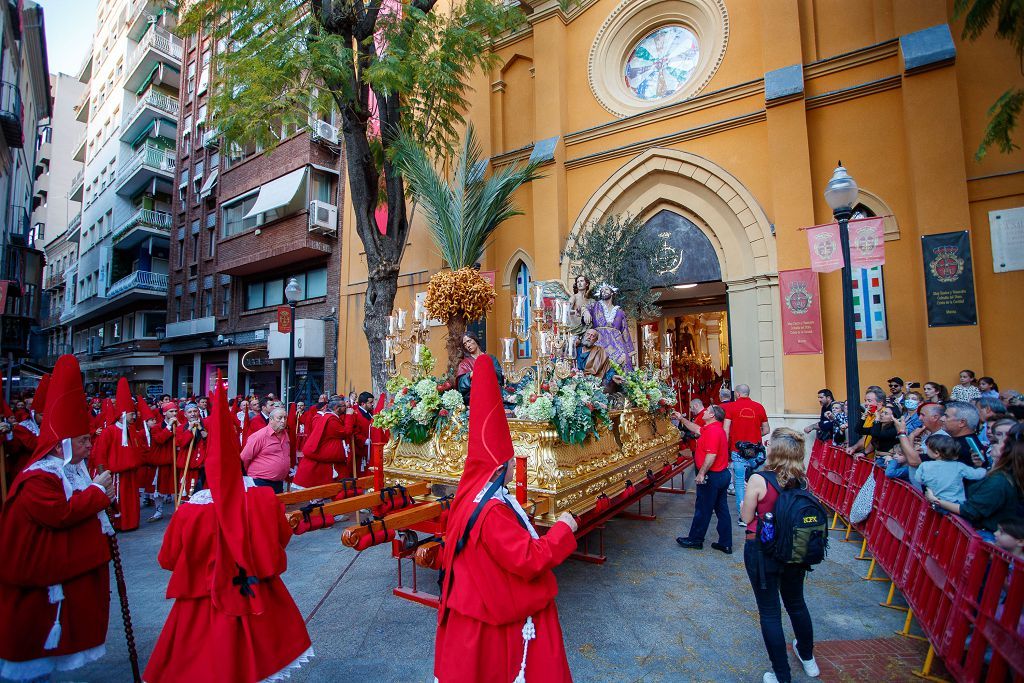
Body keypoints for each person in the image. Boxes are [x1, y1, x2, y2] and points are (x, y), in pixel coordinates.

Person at [144, 381, 313, 683]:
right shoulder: (262, 500)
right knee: (258, 659)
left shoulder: (189, 511)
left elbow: (168, 558)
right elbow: (282, 538)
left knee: (202, 663)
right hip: (256, 592)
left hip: (202, 601)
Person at [434, 354, 578, 683]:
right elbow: (527, 558)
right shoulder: (493, 511)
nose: (516, 465)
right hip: (492, 621)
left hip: (469, 613)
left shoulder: (470, 498)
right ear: (501, 467)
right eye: (512, 459)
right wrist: (562, 530)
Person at [0, 354, 116, 681]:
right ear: (62, 445)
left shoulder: (70, 472)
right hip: (36, 580)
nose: (89, 446)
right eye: (82, 440)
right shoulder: (40, 478)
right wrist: (96, 492)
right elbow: (60, 514)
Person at [740, 428, 819, 683]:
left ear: (774, 451)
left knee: (770, 612)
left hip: (762, 550)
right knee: (796, 603)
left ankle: (782, 675)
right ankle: (808, 659)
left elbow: (746, 517)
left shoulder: (759, 479)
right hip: (796, 548)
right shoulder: (802, 479)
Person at [926, 423, 1024, 539]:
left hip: (986, 537)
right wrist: (979, 467)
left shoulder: (1000, 480)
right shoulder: (1001, 475)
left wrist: (936, 500)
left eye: (997, 442)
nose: (992, 445)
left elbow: (970, 511)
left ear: (1007, 450)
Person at [676, 404, 733, 553]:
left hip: (712, 476)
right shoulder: (712, 428)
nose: (705, 412)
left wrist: (701, 473)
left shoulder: (713, 431)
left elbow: (711, 455)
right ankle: (726, 542)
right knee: (722, 509)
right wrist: (682, 419)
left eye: (707, 411)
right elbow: (696, 429)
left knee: (703, 508)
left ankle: (696, 539)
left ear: (712, 415)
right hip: (722, 474)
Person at [92, 379, 143, 532]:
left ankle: (131, 523)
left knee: (130, 501)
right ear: (122, 415)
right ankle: (118, 524)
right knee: (118, 500)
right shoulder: (110, 431)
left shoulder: (132, 430)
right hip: (115, 474)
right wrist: (103, 473)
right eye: (131, 414)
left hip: (130, 473)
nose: (133, 417)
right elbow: (100, 453)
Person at [724, 384, 770, 520]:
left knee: (739, 482)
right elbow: (766, 429)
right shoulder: (759, 407)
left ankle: (743, 516)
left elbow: (726, 430)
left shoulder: (731, 407)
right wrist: (755, 435)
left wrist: (726, 448)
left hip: (738, 450)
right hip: (756, 450)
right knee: (760, 481)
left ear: (737, 394)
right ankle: (761, 514)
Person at [914, 433, 987, 506]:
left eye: (928, 449)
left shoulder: (925, 465)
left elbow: (918, 479)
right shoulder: (959, 466)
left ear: (936, 453)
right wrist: (982, 467)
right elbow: (977, 475)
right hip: (955, 503)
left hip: (934, 501)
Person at [293, 397, 352, 487]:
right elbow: (346, 432)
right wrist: (349, 416)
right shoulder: (331, 420)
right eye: (344, 406)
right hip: (324, 454)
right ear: (336, 407)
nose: (346, 408)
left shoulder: (328, 417)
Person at [891, 402, 948, 486]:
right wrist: (911, 436)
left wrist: (901, 432)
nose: (920, 418)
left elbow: (913, 461)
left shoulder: (942, 437)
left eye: (923, 415)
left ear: (935, 417)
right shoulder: (929, 435)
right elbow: (910, 456)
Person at [241, 407, 291, 493]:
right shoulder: (260, 436)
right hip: (261, 482)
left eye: (285, 418)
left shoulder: (285, 434)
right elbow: (245, 457)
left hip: (278, 482)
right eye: (280, 418)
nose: (283, 421)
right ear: (271, 419)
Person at [587, 282, 635, 371]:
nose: (603, 291)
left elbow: (625, 331)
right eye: (601, 290)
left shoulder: (619, 311)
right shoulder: (595, 305)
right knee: (600, 367)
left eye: (606, 289)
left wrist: (630, 351)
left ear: (612, 293)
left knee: (623, 365)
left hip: (617, 345)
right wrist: (585, 312)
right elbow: (585, 307)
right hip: (600, 342)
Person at [455, 333, 504, 404]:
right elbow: (461, 386)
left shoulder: (491, 358)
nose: (468, 345)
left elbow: (500, 377)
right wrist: (470, 375)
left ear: (475, 340)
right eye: (465, 344)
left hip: (493, 391)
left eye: (469, 341)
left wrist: (488, 370)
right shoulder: (465, 363)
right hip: (475, 395)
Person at [942, 401, 987, 468]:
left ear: (962, 422)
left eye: (946, 416)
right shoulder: (961, 441)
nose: (941, 419)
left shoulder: (968, 448)